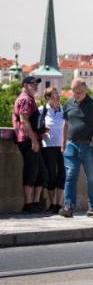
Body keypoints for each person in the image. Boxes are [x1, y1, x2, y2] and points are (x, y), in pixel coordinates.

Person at [60, 79, 93, 218]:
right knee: (70, 176)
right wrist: (63, 143)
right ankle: (68, 207)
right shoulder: (68, 103)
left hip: (88, 146)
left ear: (85, 89)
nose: (76, 94)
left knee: (92, 177)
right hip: (71, 145)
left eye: (79, 91)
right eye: (74, 92)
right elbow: (65, 125)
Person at [12, 75, 45, 213]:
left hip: (29, 138)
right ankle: (28, 205)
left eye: (36, 84)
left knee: (40, 172)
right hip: (28, 140)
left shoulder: (28, 99)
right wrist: (34, 140)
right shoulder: (25, 99)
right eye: (33, 84)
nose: (36, 86)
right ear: (25, 85)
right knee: (31, 171)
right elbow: (24, 120)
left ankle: (34, 203)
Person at [39, 86, 66, 213]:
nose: (57, 96)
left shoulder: (63, 110)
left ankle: (58, 204)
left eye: (57, 94)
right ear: (48, 98)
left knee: (62, 174)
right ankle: (52, 203)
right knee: (51, 175)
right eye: (54, 95)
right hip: (48, 146)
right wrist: (41, 132)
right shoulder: (42, 110)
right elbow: (35, 126)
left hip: (62, 146)